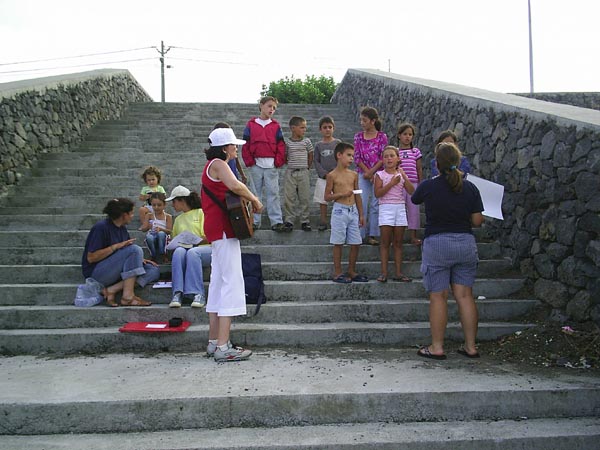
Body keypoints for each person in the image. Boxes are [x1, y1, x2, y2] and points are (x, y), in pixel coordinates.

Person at [411, 142, 484, 360]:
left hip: (437, 244)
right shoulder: (470, 187)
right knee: (465, 296)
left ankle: (437, 347)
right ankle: (471, 347)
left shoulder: (429, 186)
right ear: (458, 161)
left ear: (437, 163)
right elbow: (477, 220)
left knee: (438, 297)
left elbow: (415, 199)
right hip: (465, 243)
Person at [201, 127, 263, 362]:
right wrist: (255, 200)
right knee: (231, 283)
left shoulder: (210, 166)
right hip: (224, 230)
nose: (236, 148)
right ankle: (223, 346)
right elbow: (235, 186)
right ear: (225, 147)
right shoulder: (219, 163)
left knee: (218, 284)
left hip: (216, 230)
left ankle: (213, 341)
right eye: (233, 145)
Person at [82, 198, 158, 307]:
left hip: (117, 271)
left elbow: (126, 255)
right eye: (131, 213)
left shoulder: (122, 229)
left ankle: (112, 289)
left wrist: (140, 260)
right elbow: (91, 258)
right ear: (124, 214)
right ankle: (128, 297)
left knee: (153, 270)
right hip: (97, 273)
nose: (132, 216)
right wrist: (115, 247)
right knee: (135, 249)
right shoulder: (101, 227)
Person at [241, 96, 286, 232]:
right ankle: (255, 221)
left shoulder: (275, 126)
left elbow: (281, 145)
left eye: (274, 108)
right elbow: (246, 144)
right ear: (261, 105)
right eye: (269, 106)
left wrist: (278, 161)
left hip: (271, 165)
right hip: (256, 165)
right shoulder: (251, 124)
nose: (271, 109)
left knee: (274, 193)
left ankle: (276, 221)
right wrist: (249, 161)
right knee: (255, 194)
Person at [325, 142, 367, 284]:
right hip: (339, 210)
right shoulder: (332, 175)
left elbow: (357, 195)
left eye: (353, 156)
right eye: (349, 155)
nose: (351, 159)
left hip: (353, 210)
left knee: (356, 242)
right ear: (339, 155)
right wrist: (341, 194)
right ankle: (337, 272)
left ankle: (351, 270)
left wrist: (361, 214)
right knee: (338, 242)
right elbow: (327, 197)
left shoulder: (354, 175)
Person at [166, 185, 211, 309]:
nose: (173, 205)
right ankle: (177, 293)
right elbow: (175, 240)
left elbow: (210, 236)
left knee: (193, 252)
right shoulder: (178, 219)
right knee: (179, 252)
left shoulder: (201, 213)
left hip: (206, 249)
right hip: (187, 250)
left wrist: (194, 243)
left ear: (182, 200)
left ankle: (198, 293)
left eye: (174, 201)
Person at [374, 146, 414, 283]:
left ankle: (398, 272)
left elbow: (411, 191)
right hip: (386, 207)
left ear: (398, 158)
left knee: (398, 242)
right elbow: (377, 194)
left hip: (400, 208)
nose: (389, 158)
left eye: (392, 156)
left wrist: (404, 176)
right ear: (382, 160)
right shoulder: (380, 175)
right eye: (386, 156)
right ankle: (383, 272)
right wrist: (391, 183)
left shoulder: (401, 174)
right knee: (385, 242)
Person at [353, 107, 388, 246]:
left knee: (375, 204)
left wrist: (372, 172)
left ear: (373, 121)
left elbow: (382, 157)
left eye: (365, 120)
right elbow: (357, 157)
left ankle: (373, 234)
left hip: (378, 174)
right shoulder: (358, 137)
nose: (362, 122)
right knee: (361, 202)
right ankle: (360, 234)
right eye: (361, 120)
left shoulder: (382, 137)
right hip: (362, 174)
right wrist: (366, 172)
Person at [283, 116, 314, 231]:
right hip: (291, 172)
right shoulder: (287, 142)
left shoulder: (307, 141)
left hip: (303, 171)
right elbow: (285, 155)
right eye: (302, 128)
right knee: (289, 197)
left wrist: (307, 167)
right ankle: (289, 220)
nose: (304, 130)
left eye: (305, 128)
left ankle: (305, 221)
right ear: (293, 128)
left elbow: (311, 154)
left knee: (304, 197)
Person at [313, 116, 341, 231]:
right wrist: (324, 174)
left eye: (330, 127)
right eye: (325, 127)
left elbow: (341, 158)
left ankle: (337, 221)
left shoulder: (337, 143)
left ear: (333, 128)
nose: (327, 129)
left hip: (337, 177)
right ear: (320, 130)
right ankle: (323, 221)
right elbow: (316, 161)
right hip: (323, 178)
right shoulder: (318, 145)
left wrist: (336, 173)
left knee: (338, 200)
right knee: (323, 200)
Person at [397, 122, 423, 246]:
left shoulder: (415, 151)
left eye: (410, 134)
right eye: (405, 134)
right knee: (400, 210)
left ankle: (413, 236)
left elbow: (419, 169)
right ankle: (398, 236)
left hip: (413, 184)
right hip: (399, 185)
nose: (407, 137)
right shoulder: (396, 152)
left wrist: (420, 182)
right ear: (399, 136)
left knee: (414, 210)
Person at [139, 192, 172, 264]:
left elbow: (169, 231)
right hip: (153, 235)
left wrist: (161, 229)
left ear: (164, 205)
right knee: (149, 238)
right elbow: (144, 229)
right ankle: (153, 255)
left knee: (161, 234)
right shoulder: (149, 215)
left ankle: (163, 253)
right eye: (154, 205)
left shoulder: (168, 216)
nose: (156, 207)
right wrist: (147, 226)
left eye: (159, 205)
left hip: (163, 236)